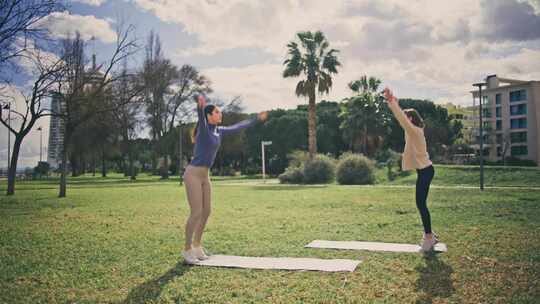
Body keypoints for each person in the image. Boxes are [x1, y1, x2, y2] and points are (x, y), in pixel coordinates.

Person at [182, 94, 268, 263]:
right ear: (209, 116)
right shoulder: (204, 129)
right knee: (196, 212)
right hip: (192, 174)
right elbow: (200, 115)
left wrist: (256, 119)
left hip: (205, 176)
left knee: (206, 212)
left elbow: (237, 127)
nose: (220, 115)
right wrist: (200, 106)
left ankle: (197, 246)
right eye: (217, 112)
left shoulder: (219, 131)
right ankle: (187, 250)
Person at [383, 87, 439, 252]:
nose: (404, 121)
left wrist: (391, 102)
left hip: (426, 171)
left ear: (411, 119)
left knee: (421, 204)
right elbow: (401, 117)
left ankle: (429, 237)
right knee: (421, 203)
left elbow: (401, 118)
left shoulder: (414, 131)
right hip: (425, 171)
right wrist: (395, 101)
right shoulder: (414, 132)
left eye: (407, 118)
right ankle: (430, 235)